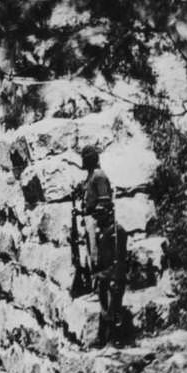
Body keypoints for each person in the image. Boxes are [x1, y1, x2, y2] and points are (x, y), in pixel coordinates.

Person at [79, 145, 126, 346]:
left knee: (110, 277)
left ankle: (113, 328)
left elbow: (104, 202)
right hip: (95, 226)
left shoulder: (99, 176)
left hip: (102, 228)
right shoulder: (92, 176)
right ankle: (106, 323)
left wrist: (96, 216)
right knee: (100, 272)